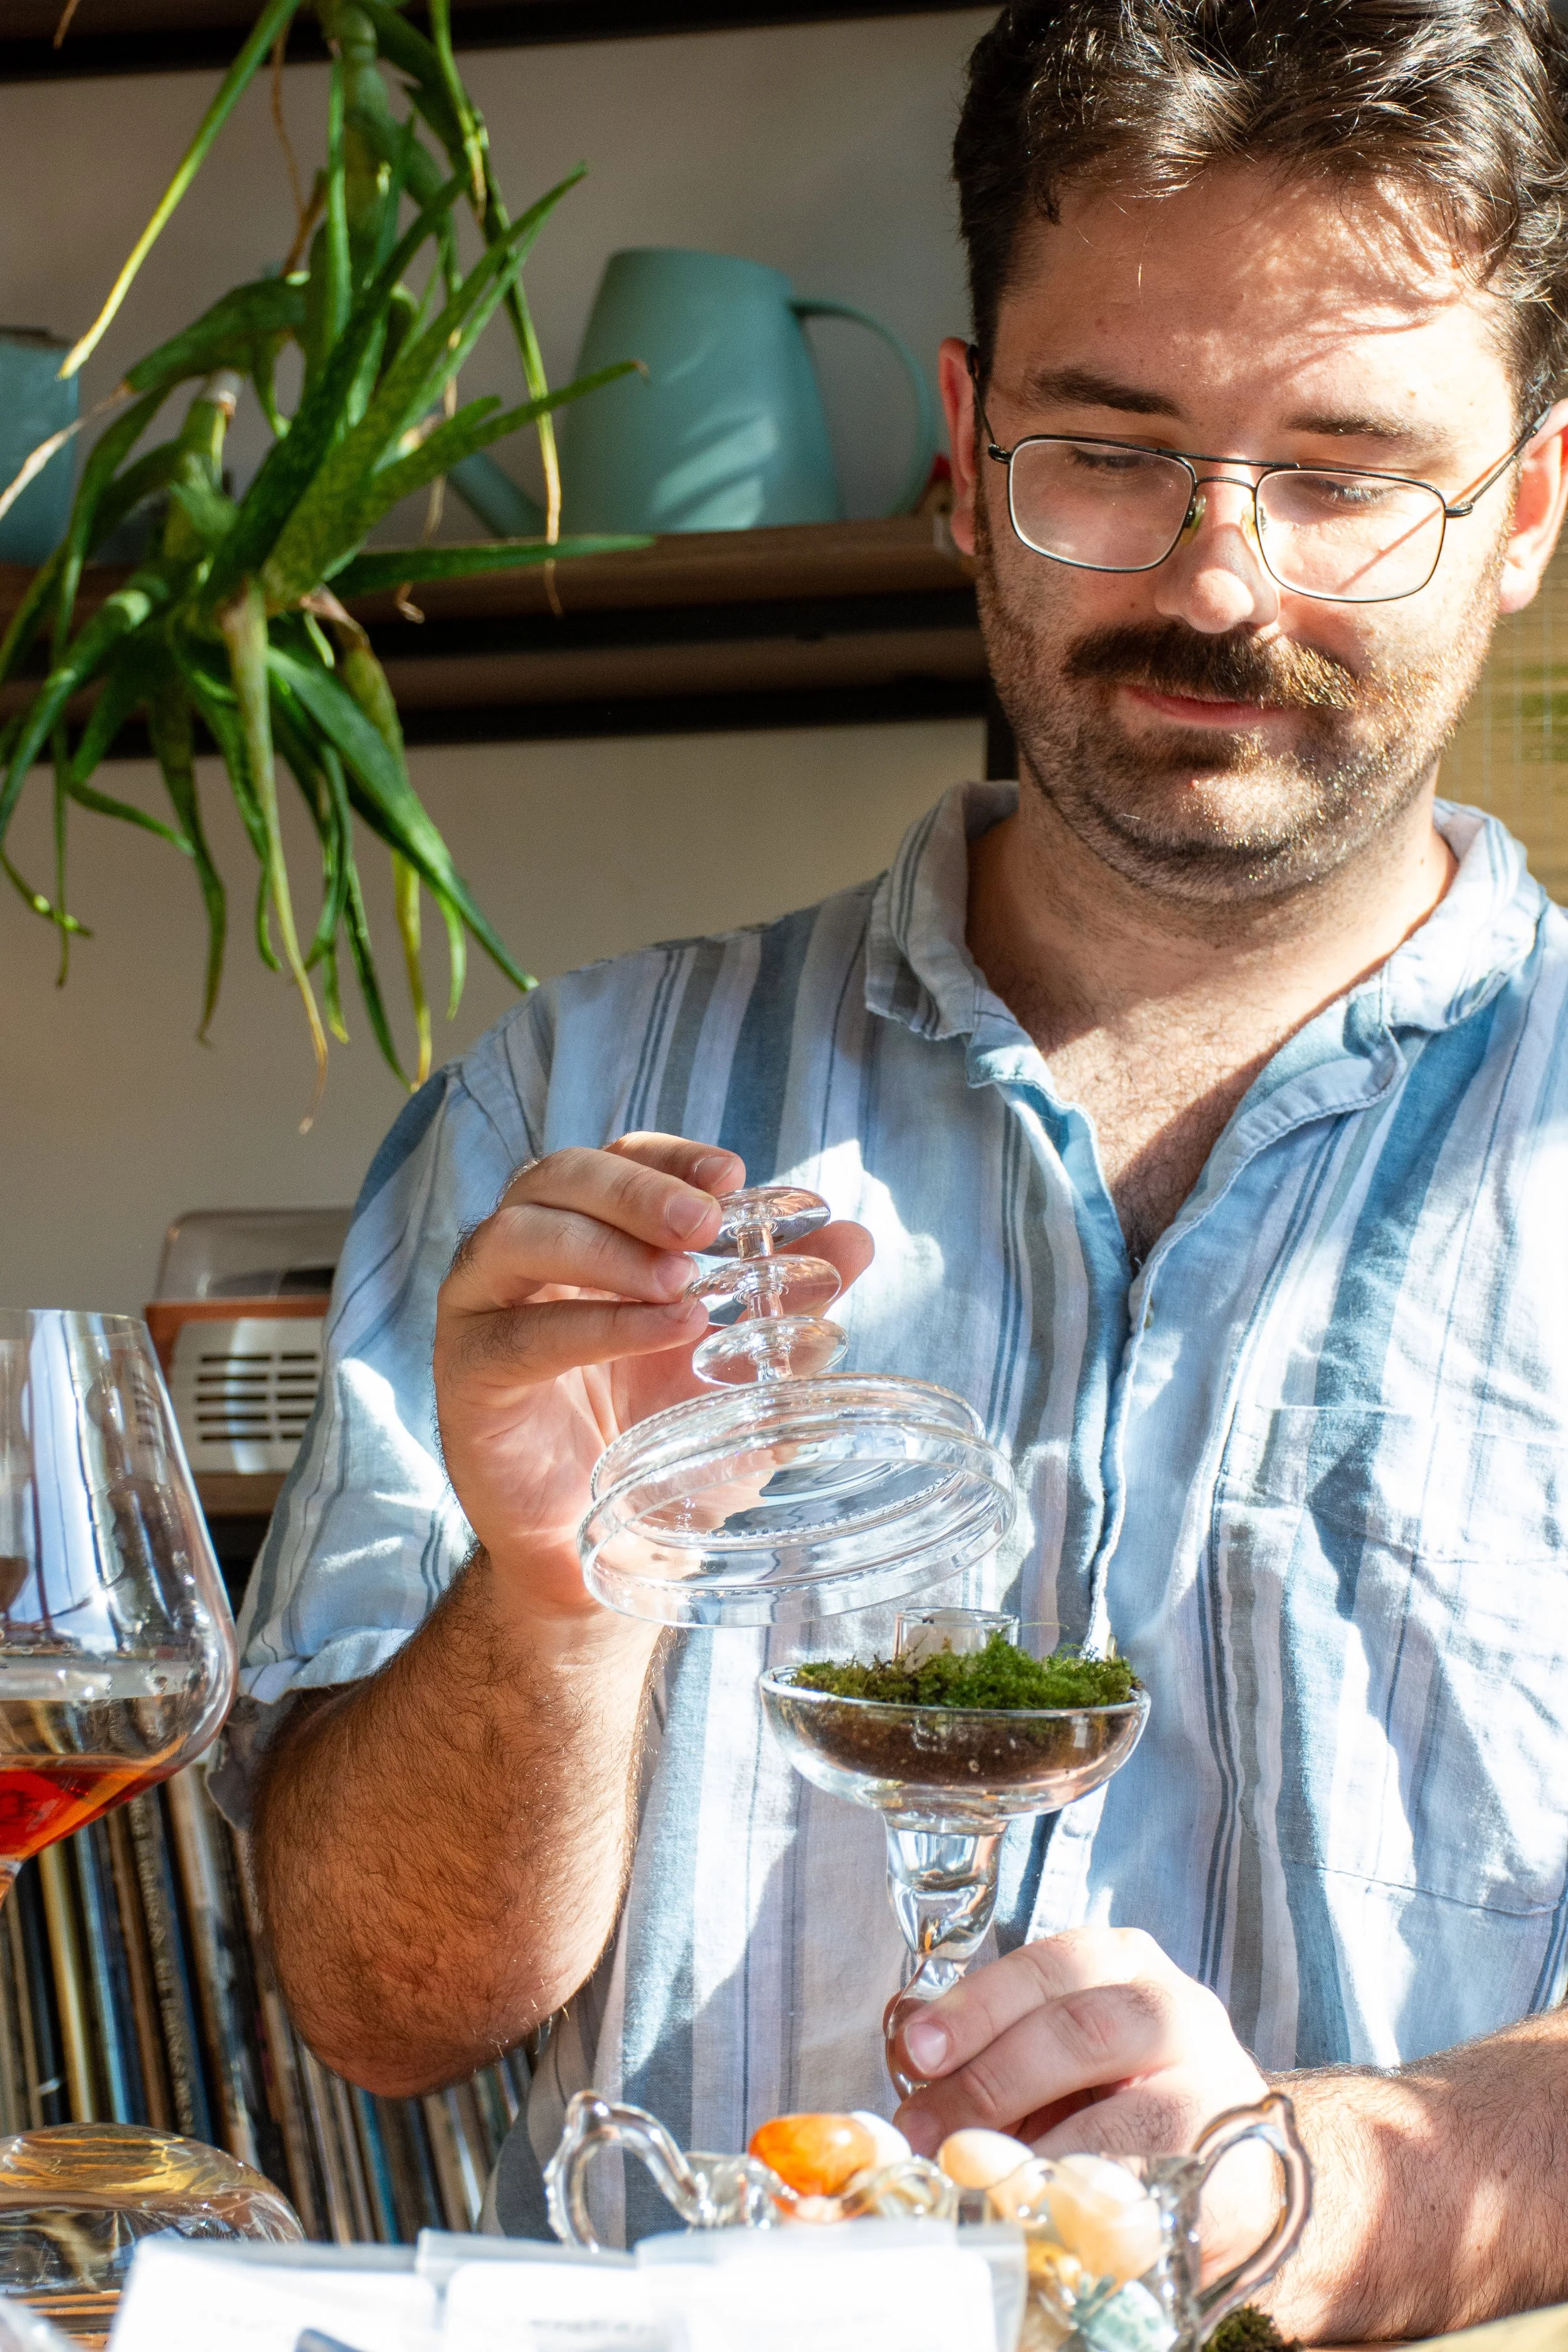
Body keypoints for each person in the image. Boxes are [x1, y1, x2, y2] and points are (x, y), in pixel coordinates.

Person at [222, 1, 1568, 2334]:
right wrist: (552, 1599)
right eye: (1111, 450)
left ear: (1528, 509)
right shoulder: (579, 1097)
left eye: (1347, 473)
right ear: (965, 456)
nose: (1220, 584)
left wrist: (1324, 2186)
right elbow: (370, 1999)